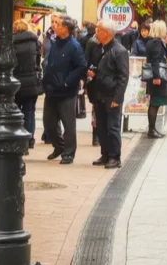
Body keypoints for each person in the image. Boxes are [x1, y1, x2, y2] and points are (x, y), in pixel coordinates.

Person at [42, 16, 87, 165]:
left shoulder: (74, 46)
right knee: (49, 123)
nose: (55, 26)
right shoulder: (55, 43)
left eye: (58, 24)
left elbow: (81, 66)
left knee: (68, 124)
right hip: (51, 90)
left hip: (66, 92)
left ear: (65, 29)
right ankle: (59, 146)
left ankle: (68, 153)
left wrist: (67, 82)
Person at [88, 21, 129, 167]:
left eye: (98, 30)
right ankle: (104, 154)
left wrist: (117, 98)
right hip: (99, 93)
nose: (95, 32)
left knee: (112, 127)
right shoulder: (100, 48)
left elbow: (123, 77)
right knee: (101, 127)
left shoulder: (119, 51)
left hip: (111, 95)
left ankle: (114, 157)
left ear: (106, 33)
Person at [12, 18, 43, 149]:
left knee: (16, 110)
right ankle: (29, 138)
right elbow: (38, 61)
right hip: (31, 80)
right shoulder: (35, 42)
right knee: (30, 111)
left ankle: (18, 137)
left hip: (16, 80)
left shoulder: (11, 43)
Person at [142, 20, 167, 139]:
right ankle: (151, 130)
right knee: (155, 103)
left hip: (154, 75)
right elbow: (155, 60)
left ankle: (152, 129)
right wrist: (157, 77)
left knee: (154, 102)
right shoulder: (157, 42)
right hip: (157, 76)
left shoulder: (151, 41)